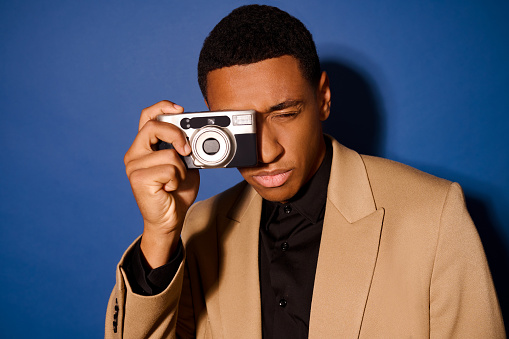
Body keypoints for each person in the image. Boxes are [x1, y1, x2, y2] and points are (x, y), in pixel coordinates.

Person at [106, 5, 505, 338]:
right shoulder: (196, 228)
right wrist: (159, 234)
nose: (265, 151)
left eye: (286, 114)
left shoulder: (433, 215)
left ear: (324, 99)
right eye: (240, 125)